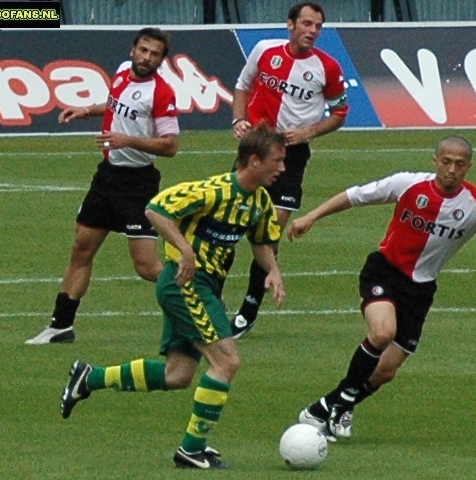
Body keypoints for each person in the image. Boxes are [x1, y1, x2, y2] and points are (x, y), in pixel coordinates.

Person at [59, 124, 287, 469]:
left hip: (205, 288)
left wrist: (272, 270)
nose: (282, 168)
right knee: (227, 363)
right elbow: (156, 209)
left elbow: (260, 241)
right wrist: (184, 249)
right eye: (278, 160)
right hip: (185, 285)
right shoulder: (213, 191)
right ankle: (191, 449)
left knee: (176, 375)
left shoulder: (259, 203)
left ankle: (88, 378)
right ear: (254, 161)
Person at [288, 136, 476, 441]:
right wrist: (311, 217)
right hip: (384, 272)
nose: (452, 169)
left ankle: (335, 405)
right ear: (435, 161)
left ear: (469, 166)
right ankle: (330, 406)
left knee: (386, 371)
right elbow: (356, 196)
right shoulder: (408, 184)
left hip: (420, 290)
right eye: (446, 161)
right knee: (382, 333)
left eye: (459, 164)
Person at [26, 27, 179, 345]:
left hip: (138, 183)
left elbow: (170, 146)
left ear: (161, 60)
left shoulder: (161, 92)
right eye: (143, 50)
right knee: (81, 247)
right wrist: (88, 110)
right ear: (133, 49)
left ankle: (203, 299)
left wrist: (129, 140)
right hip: (107, 177)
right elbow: (116, 104)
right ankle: (60, 326)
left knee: (147, 266)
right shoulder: (123, 72)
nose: (147, 57)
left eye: (154, 54)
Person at [228, 1, 349, 339]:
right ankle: (212, 297)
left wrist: (309, 132)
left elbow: (340, 113)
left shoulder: (327, 67)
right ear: (291, 25)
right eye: (307, 24)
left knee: (270, 229)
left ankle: (249, 308)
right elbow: (242, 84)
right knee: (226, 220)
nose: (312, 31)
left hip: (290, 157)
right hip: (254, 149)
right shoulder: (265, 50)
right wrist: (239, 119)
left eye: (318, 26)